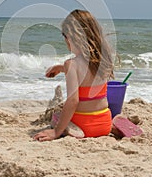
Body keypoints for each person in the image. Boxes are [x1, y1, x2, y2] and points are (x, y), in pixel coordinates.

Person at [33, 9, 114, 142]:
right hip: (104, 124)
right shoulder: (103, 60)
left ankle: (66, 129)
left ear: (70, 37)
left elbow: (73, 101)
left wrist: (56, 131)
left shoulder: (72, 64)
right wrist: (61, 68)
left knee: (57, 115)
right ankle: (113, 125)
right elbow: (87, 76)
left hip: (84, 127)